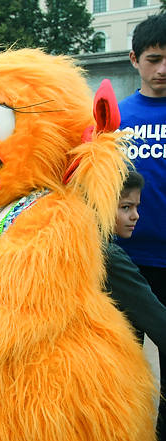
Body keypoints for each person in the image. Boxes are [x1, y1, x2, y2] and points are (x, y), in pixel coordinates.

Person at [116, 12, 166, 439]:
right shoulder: (114, 117)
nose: (162, 69)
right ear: (134, 59)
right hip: (125, 261)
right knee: (121, 366)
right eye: (153, 59)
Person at [105, 170, 166, 354]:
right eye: (126, 207)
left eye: (136, 207)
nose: (135, 215)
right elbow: (157, 321)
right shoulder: (109, 256)